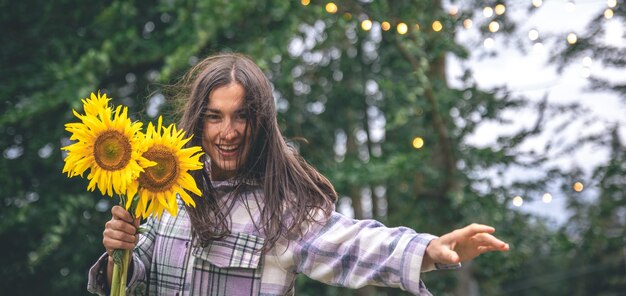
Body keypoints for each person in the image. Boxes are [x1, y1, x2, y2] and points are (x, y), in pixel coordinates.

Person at [87, 53, 509, 296]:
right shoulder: (165, 188)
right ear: (198, 122)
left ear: (262, 122)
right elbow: (133, 275)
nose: (227, 132)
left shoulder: (281, 211)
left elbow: (353, 245)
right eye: (214, 117)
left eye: (241, 117)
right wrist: (118, 253)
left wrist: (429, 249)